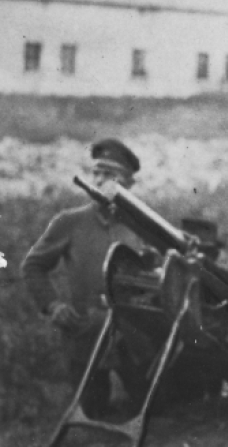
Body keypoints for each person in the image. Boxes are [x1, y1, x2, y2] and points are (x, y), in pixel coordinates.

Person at [21, 138, 146, 418]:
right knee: (92, 411)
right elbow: (33, 266)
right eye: (96, 173)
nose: (99, 181)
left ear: (128, 185)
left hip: (133, 336)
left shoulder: (140, 225)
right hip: (85, 332)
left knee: (154, 409)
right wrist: (53, 306)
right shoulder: (69, 222)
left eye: (110, 176)